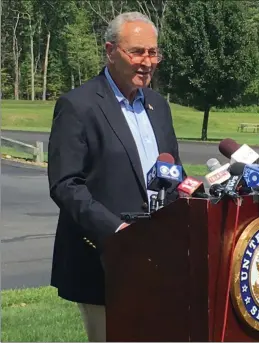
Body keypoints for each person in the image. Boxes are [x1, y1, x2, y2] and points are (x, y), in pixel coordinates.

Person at [47, 12, 183, 342]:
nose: (147, 62)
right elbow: (65, 185)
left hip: (157, 257)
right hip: (103, 260)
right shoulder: (78, 106)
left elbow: (173, 173)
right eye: (136, 52)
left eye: (153, 53)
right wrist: (117, 231)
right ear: (110, 51)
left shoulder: (158, 105)